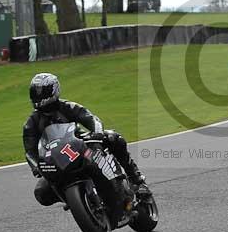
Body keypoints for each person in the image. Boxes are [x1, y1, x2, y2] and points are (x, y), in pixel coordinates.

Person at [23, 72, 146, 207]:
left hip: (80, 145)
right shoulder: (31, 123)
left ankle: (136, 180)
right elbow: (30, 151)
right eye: (36, 92)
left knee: (113, 138)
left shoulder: (68, 107)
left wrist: (97, 133)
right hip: (57, 160)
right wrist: (36, 167)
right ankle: (75, 200)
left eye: (42, 92)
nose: (38, 96)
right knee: (41, 192)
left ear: (54, 90)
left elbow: (91, 119)